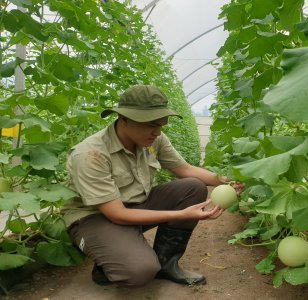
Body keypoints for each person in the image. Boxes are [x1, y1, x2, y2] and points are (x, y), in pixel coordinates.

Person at [62, 85, 242, 287]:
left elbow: (185, 169)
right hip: (96, 217)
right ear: (124, 119)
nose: (157, 132)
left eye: (161, 125)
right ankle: (109, 259)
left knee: (193, 186)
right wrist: (182, 215)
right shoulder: (90, 154)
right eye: (150, 125)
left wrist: (227, 180)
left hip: (136, 205)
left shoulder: (153, 139)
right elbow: (117, 214)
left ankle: (166, 264)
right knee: (140, 271)